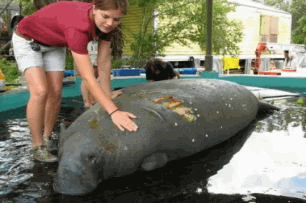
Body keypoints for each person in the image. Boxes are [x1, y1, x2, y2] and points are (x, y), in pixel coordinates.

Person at [12, 0, 138, 163]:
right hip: (27, 40)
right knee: (41, 91)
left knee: (56, 92)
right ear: (94, 8)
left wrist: (107, 95)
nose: (110, 23)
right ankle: (38, 146)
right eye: (105, 17)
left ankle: (47, 137)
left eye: (116, 20)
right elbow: (87, 77)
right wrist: (113, 112)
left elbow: (104, 62)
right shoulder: (77, 27)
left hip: (55, 44)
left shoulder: (106, 25)